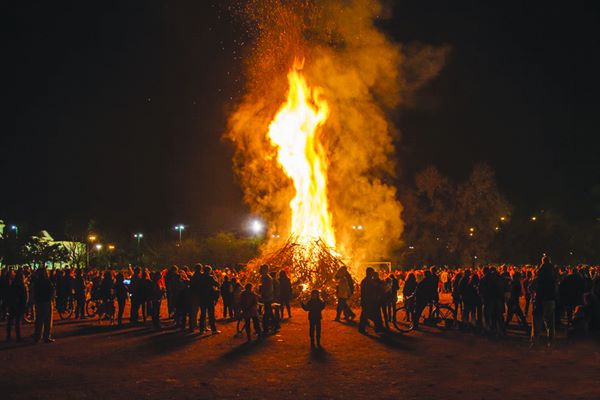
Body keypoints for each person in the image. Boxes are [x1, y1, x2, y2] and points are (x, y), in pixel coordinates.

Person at [531, 256, 557, 347]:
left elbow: (531, 287)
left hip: (540, 300)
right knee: (550, 322)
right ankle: (551, 342)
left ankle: (535, 342)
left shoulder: (539, 273)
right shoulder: (553, 275)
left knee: (537, 322)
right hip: (550, 300)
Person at [358, 267, 384, 334]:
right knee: (372, 315)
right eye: (372, 272)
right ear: (370, 273)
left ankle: (362, 329)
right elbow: (376, 287)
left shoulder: (365, 280)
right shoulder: (368, 281)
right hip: (369, 301)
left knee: (365, 315)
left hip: (367, 301)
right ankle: (377, 329)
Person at [33, 268, 55, 343]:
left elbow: (35, 292)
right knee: (47, 321)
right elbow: (52, 291)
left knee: (39, 320)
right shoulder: (47, 281)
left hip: (39, 302)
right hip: (46, 302)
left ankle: (37, 337)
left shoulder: (37, 282)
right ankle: (46, 336)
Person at [198, 265, 220, 334]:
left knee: (203, 314)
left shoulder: (200, 277)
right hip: (209, 297)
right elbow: (217, 284)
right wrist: (215, 277)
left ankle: (202, 329)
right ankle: (213, 329)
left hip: (202, 297)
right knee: (211, 314)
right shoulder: (210, 277)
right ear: (209, 271)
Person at [6, 270, 28, 342]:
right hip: (19, 305)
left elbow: (9, 295)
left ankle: (8, 335)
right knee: (18, 321)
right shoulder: (22, 286)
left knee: (10, 320)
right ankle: (18, 336)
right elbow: (25, 297)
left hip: (12, 304)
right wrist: (24, 306)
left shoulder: (12, 284)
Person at [259, 264, 279, 333]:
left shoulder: (267, 278)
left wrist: (265, 295)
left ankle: (266, 328)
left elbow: (269, 289)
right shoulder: (264, 277)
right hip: (267, 297)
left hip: (267, 298)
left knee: (266, 314)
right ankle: (275, 325)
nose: (261, 271)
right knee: (269, 313)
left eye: (262, 269)